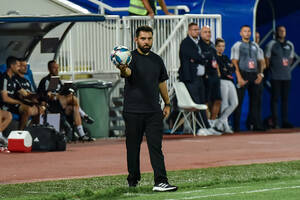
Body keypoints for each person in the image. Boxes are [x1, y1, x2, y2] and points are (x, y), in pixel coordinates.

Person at [117, 26, 177, 191]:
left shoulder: (157, 59)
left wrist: (167, 102)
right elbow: (127, 73)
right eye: (143, 39)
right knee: (133, 148)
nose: (147, 42)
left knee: (156, 147)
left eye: (149, 38)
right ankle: (133, 180)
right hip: (133, 111)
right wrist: (122, 67)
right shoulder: (129, 57)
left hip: (153, 111)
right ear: (136, 40)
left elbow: (161, 82)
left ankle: (160, 181)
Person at [178, 23, 221, 136]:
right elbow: (196, 56)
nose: (196, 32)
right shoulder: (186, 42)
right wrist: (201, 58)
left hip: (199, 77)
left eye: (197, 30)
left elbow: (198, 58)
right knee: (196, 102)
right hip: (191, 78)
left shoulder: (198, 43)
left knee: (202, 102)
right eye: (194, 30)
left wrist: (199, 58)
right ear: (189, 31)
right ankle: (199, 128)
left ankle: (206, 126)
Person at [37, 60, 94, 141]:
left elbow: (59, 91)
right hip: (52, 105)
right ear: (49, 69)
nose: (57, 70)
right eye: (54, 68)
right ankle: (84, 115)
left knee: (75, 108)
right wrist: (58, 95)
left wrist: (65, 91)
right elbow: (48, 95)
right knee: (72, 98)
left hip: (61, 105)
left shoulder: (57, 80)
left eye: (57, 68)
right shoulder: (47, 80)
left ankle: (82, 135)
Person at [231, 25, 265, 132]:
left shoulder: (255, 45)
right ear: (241, 33)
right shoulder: (237, 45)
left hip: (254, 74)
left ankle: (255, 125)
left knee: (256, 101)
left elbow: (261, 61)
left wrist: (260, 74)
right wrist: (239, 77)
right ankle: (236, 127)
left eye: (249, 31)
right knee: (239, 101)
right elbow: (234, 62)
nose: (247, 33)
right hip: (243, 74)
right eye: (245, 31)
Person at [0, 56, 43, 130]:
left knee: (40, 109)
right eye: (18, 66)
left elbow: (24, 93)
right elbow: (5, 98)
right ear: (12, 66)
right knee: (27, 109)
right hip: (6, 106)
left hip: (14, 105)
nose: (19, 68)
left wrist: (37, 96)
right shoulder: (4, 78)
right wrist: (20, 102)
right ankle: (21, 132)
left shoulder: (13, 79)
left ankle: (31, 130)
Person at [265, 25, 295, 128]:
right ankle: (275, 122)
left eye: (284, 31)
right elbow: (267, 58)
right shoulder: (272, 44)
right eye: (280, 31)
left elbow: (290, 59)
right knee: (275, 99)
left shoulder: (290, 44)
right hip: (275, 76)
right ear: (276, 32)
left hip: (286, 77)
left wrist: (285, 68)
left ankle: (285, 121)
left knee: (285, 100)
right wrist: (272, 69)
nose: (282, 32)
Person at [199, 26, 222, 128]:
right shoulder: (199, 46)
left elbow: (215, 61)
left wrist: (218, 73)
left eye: (209, 32)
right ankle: (207, 122)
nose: (208, 34)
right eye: (205, 32)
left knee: (218, 99)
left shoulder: (212, 46)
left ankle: (213, 121)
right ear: (201, 33)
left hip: (215, 76)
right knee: (206, 101)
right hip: (206, 77)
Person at [214, 38, 238, 133]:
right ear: (215, 47)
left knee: (234, 103)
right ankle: (224, 125)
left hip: (230, 81)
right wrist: (227, 69)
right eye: (219, 46)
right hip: (222, 81)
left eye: (223, 46)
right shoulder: (215, 57)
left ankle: (220, 121)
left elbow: (233, 68)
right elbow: (223, 70)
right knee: (224, 103)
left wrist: (226, 69)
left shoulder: (225, 57)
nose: (221, 48)